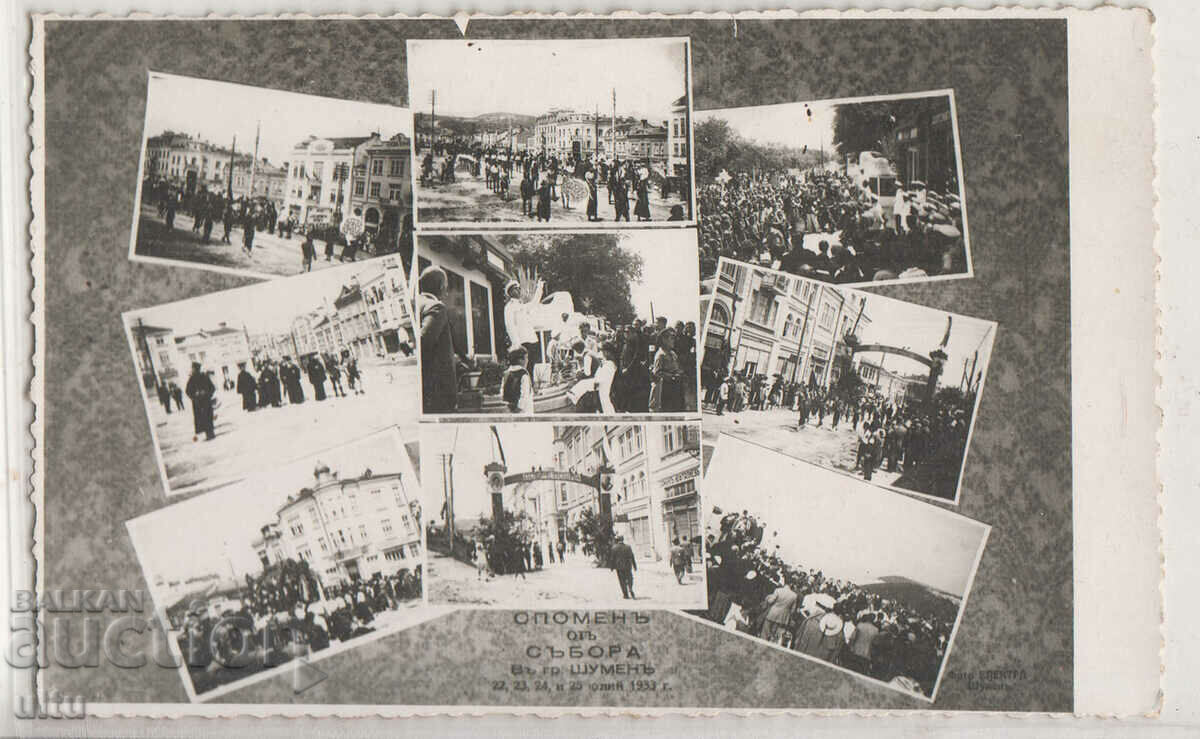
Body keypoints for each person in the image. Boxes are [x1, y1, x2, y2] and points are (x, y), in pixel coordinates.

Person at [419, 266, 468, 413]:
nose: (446, 291)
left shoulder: (417, 303)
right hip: (437, 391)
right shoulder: (436, 307)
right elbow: (424, 341)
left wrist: (461, 358)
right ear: (441, 287)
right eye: (446, 287)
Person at [503, 279, 543, 374]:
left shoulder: (523, 306)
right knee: (522, 368)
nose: (518, 290)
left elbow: (534, 303)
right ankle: (524, 386)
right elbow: (510, 326)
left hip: (532, 339)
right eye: (515, 289)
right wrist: (517, 344)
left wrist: (539, 287)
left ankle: (530, 387)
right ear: (510, 292)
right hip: (522, 342)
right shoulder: (509, 307)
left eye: (518, 288)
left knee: (531, 366)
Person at [184, 362, 216, 441]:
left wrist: (196, 395)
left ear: (195, 369)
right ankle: (210, 434)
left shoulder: (195, 378)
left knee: (205, 417)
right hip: (202, 401)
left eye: (193, 368)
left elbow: (188, 391)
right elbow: (212, 388)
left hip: (200, 402)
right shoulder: (199, 377)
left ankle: (210, 434)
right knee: (206, 417)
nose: (192, 370)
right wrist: (205, 394)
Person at [501, 346, 534, 414]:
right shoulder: (524, 375)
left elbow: (502, 391)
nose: (527, 360)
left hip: (510, 409)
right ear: (520, 360)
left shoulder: (506, 373)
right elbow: (524, 395)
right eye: (526, 358)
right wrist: (519, 408)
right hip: (524, 410)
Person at [609, 536, 638, 600]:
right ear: (623, 540)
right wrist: (635, 566)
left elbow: (612, 559)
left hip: (619, 567)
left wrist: (611, 567)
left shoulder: (614, 548)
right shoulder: (628, 547)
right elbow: (632, 557)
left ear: (617, 540)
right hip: (628, 566)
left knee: (622, 581)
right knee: (629, 578)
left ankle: (625, 594)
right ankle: (630, 587)